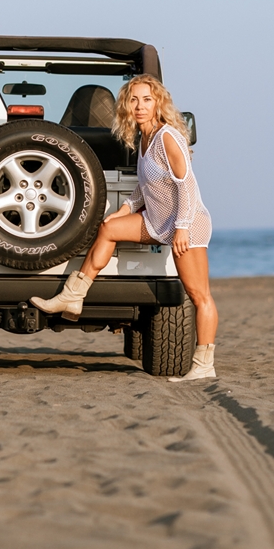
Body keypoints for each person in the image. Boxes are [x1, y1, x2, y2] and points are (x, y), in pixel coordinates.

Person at [31, 74, 218, 381]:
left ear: (158, 103)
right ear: (126, 106)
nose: (140, 106)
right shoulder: (144, 139)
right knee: (109, 230)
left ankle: (204, 365)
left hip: (188, 223)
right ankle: (73, 295)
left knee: (199, 296)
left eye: (147, 99)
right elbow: (145, 188)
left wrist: (183, 228)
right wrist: (123, 211)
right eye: (134, 100)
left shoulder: (167, 136)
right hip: (157, 221)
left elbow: (186, 187)